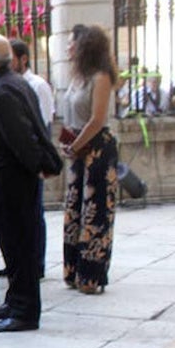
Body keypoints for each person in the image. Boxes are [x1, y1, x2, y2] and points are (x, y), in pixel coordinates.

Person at [0, 33, 62, 333]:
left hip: (10, 180)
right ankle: (15, 299)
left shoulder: (4, 89)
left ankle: (25, 310)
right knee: (12, 245)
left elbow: (21, 136)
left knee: (20, 245)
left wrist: (37, 166)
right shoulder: (3, 83)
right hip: (3, 178)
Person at [61, 24, 119, 294]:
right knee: (75, 210)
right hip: (78, 150)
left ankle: (91, 275)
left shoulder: (101, 77)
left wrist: (75, 143)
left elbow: (97, 120)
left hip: (96, 151)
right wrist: (70, 144)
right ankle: (74, 270)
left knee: (95, 212)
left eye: (72, 42)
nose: (68, 47)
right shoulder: (77, 77)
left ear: (85, 46)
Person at [10, 38, 54, 278]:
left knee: (34, 213)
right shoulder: (13, 83)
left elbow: (43, 124)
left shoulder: (37, 85)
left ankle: (37, 263)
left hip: (31, 160)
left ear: (23, 59)